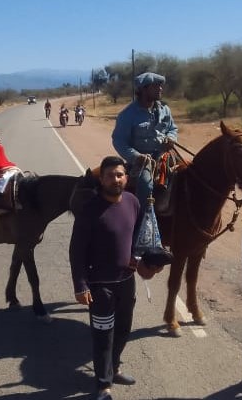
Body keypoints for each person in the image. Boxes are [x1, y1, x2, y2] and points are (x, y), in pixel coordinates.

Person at [69, 156, 141, 400]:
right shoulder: (89, 210)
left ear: (126, 178)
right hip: (100, 286)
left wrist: (140, 258)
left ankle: (115, 367)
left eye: (119, 175)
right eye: (110, 175)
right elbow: (76, 250)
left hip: (126, 282)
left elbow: (138, 237)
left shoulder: (132, 202)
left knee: (123, 329)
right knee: (103, 336)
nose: (115, 179)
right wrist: (80, 285)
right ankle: (103, 384)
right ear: (102, 179)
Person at [111, 72, 177, 208]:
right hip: (143, 161)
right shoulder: (127, 115)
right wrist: (136, 156)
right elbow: (119, 141)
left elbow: (172, 128)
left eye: (160, 86)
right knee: (146, 185)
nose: (160, 89)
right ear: (143, 89)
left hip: (166, 155)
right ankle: (143, 222)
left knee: (191, 175)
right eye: (156, 86)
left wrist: (171, 138)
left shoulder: (165, 109)